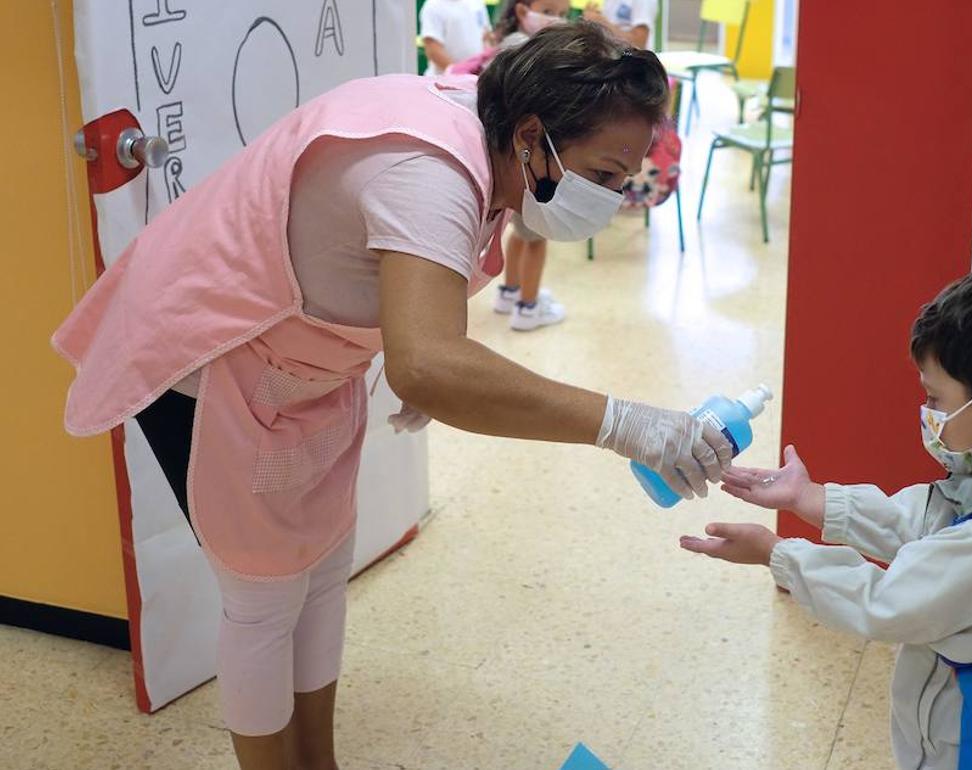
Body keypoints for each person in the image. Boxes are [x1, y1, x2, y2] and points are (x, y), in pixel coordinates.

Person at [54, 24, 732, 770]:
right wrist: (623, 424)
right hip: (212, 356)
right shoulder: (426, 166)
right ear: (534, 136)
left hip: (303, 371)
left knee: (319, 575)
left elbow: (419, 315)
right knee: (263, 602)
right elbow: (430, 363)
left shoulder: (496, 138)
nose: (610, 199)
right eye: (602, 175)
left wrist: (425, 354)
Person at [680, 259, 972, 769]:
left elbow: (883, 602)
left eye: (936, 398)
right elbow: (924, 523)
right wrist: (810, 498)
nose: (929, 414)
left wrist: (777, 555)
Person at [490, 0, 574, 330]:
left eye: (564, 15)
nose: (557, 21)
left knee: (519, 232)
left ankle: (509, 292)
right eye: (549, 12)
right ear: (523, 12)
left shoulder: (508, 44)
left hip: (512, 167)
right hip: (531, 166)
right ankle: (528, 306)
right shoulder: (527, 52)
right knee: (537, 239)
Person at [421, 0, 492, 75]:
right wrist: (456, 71)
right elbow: (432, 48)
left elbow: (486, 35)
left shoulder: (477, 2)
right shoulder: (433, 6)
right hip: (443, 80)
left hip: (475, 79)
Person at [584, 0, 657, 49]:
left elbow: (639, 43)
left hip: (634, 65)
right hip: (614, 63)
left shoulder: (644, 2)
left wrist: (601, 22)